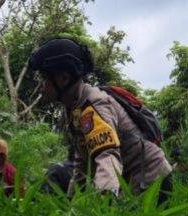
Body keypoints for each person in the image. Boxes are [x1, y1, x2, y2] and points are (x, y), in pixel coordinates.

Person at [27, 38, 172, 199]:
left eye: (45, 79)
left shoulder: (93, 106)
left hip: (152, 180)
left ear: (63, 78)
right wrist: (71, 201)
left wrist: (105, 200)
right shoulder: (75, 108)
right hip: (132, 179)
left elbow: (107, 156)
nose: (42, 86)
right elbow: (82, 162)